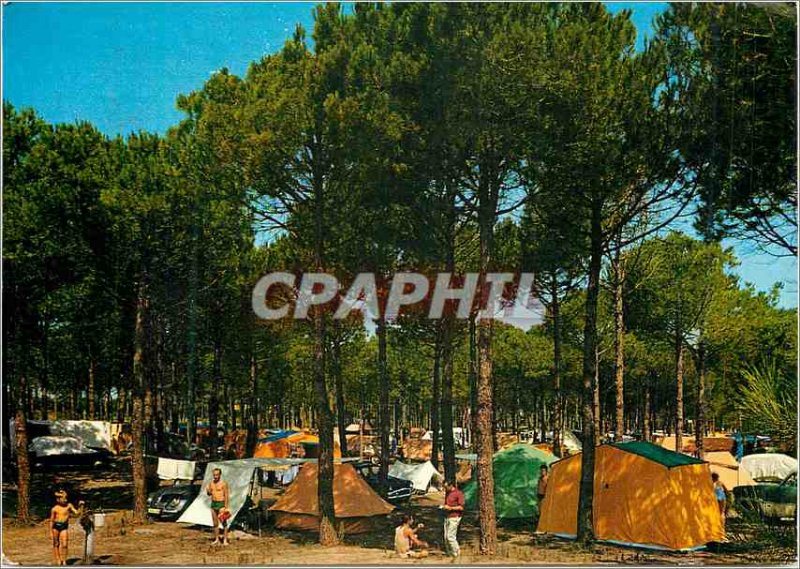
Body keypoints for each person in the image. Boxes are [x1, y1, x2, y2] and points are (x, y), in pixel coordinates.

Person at [49, 490, 84, 566]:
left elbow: (77, 513)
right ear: (58, 500)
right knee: (56, 543)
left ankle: (64, 560)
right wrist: (50, 532)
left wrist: (81, 506)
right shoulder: (55, 508)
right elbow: (51, 520)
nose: (65, 500)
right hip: (56, 527)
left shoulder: (69, 505)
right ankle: (58, 560)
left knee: (65, 544)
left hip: (64, 526)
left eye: (65, 498)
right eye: (63, 498)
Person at [205, 468, 230, 545]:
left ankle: (225, 540)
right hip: (213, 504)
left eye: (217, 475)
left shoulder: (223, 484)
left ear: (220, 475)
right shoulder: (211, 483)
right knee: (215, 523)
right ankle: (217, 539)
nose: (215, 476)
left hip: (221, 504)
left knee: (224, 523)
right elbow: (209, 494)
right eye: (214, 475)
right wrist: (208, 491)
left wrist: (226, 507)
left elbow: (226, 495)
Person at [441, 480, 464, 558]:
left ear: (451, 485)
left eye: (446, 487)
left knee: (450, 536)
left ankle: (456, 553)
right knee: (445, 537)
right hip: (447, 516)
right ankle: (450, 553)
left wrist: (451, 508)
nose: (445, 488)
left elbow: (461, 507)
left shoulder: (458, 493)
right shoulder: (447, 493)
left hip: (454, 517)